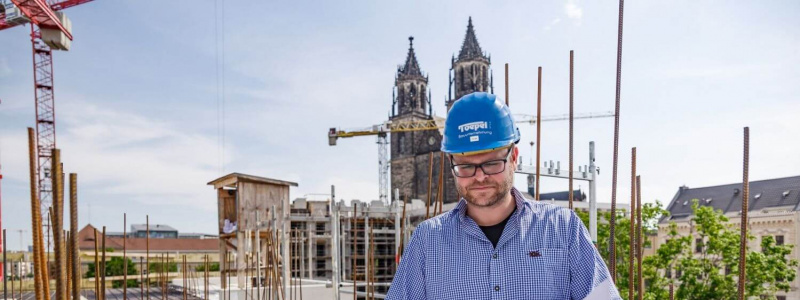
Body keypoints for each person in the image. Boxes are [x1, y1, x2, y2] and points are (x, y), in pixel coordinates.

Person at [386, 92, 621, 300]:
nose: (479, 177)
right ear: (451, 164)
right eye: (466, 166)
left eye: (491, 163)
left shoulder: (563, 229)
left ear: (514, 157)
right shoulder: (427, 241)